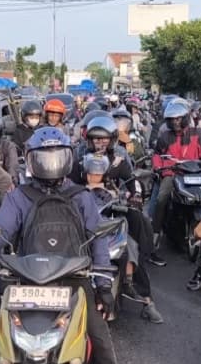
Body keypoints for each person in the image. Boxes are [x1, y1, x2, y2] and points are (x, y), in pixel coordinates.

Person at [0, 127, 134, 364]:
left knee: (99, 336)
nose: (50, 163)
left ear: (68, 159)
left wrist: (104, 284)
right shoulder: (20, 196)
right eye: (44, 157)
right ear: (31, 160)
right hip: (26, 278)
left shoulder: (80, 197)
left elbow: (97, 241)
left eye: (56, 156)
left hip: (74, 278)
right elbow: (1, 228)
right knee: (4, 339)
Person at [71, 116, 165, 321]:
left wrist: (134, 196)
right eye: (96, 139)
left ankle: (144, 296)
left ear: (113, 139)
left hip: (114, 208)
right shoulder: (78, 157)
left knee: (135, 233)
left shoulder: (120, 158)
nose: (100, 143)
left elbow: (132, 184)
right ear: (88, 139)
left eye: (104, 139)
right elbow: (68, 184)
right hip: (83, 209)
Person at [151, 102, 201, 239]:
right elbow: (156, 155)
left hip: (196, 173)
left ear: (185, 118)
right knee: (162, 197)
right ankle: (156, 232)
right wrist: (158, 166)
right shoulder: (165, 137)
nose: (175, 122)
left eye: (178, 118)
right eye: (172, 119)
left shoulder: (197, 133)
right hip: (173, 173)